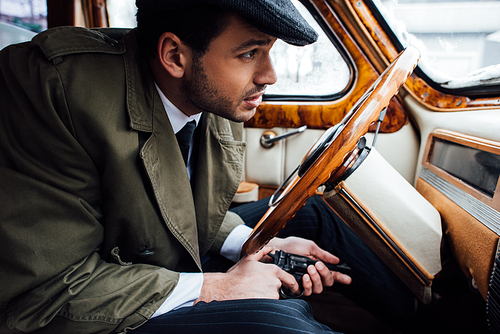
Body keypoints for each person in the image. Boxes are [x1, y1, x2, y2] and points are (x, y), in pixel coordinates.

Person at [0, 0, 416, 333]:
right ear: (174, 55)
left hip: (146, 256)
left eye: (269, 52)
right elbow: (47, 291)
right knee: (278, 322)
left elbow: (182, 204)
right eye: (250, 53)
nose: (269, 75)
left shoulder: (210, 94)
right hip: (79, 304)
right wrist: (221, 286)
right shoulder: (56, 90)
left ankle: (428, 316)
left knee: (314, 216)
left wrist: (252, 246)